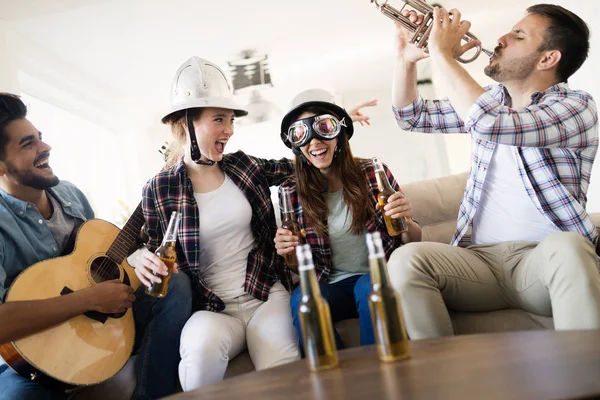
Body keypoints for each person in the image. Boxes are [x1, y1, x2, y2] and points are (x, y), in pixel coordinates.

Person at [388, 4, 600, 339]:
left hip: (541, 261)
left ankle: (586, 379)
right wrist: (407, 60)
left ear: (548, 59)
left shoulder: (574, 106)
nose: (500, 39)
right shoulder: (491, 100)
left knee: (569, 248)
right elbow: (411, 116)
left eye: (518, 35)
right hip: (479, 263)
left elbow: (489, 123)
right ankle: (440, 381)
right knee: (407, 259)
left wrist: (442, 54)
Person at [0, 93, 192, 400]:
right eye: (27, 144)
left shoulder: (70, 194)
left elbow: (102, 256)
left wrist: (140, 256)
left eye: (39, 137)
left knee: (174, 285)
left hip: (100, 330)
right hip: (29, 362)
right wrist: (87, 299)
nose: (45, 147)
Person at [137, 56, 301, 391]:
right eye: (218, 120)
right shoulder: (160, 187)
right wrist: (139, 258)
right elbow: (145, 244)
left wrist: (325, 137)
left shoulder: (245, 166)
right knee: (197, 360)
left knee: (283, 376)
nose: (228, 129)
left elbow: (302, 168)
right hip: (213, 308)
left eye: (230, 120)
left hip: (265, 296)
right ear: (186, 124)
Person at [274, 89, 422, 350]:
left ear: (338, 134)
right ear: (295, 145)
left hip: (375, 275)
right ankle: (333, 381)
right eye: (302, 134)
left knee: (371, 287)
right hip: (330, 285)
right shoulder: (292, 191)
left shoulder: (372, 173)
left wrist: (404, 219)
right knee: (302, 298)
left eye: (324, 127)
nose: (315, 141)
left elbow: (412, 239)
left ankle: (377, 374)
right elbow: (298, 268)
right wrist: (288, 251)